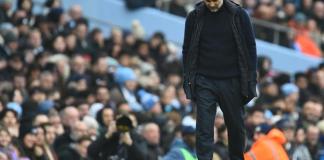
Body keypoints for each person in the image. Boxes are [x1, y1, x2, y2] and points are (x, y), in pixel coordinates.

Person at [182, 0, 257, 159]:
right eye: (208, 0)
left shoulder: (239, 15)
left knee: (236, 126)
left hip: (232, 80)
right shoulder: (194, 16)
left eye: (214, 0)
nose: (212, 4)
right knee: (204, 128)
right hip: (204, 80)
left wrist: (251, 79)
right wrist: (188, 76)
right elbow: (186, 48)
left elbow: (250, 47)